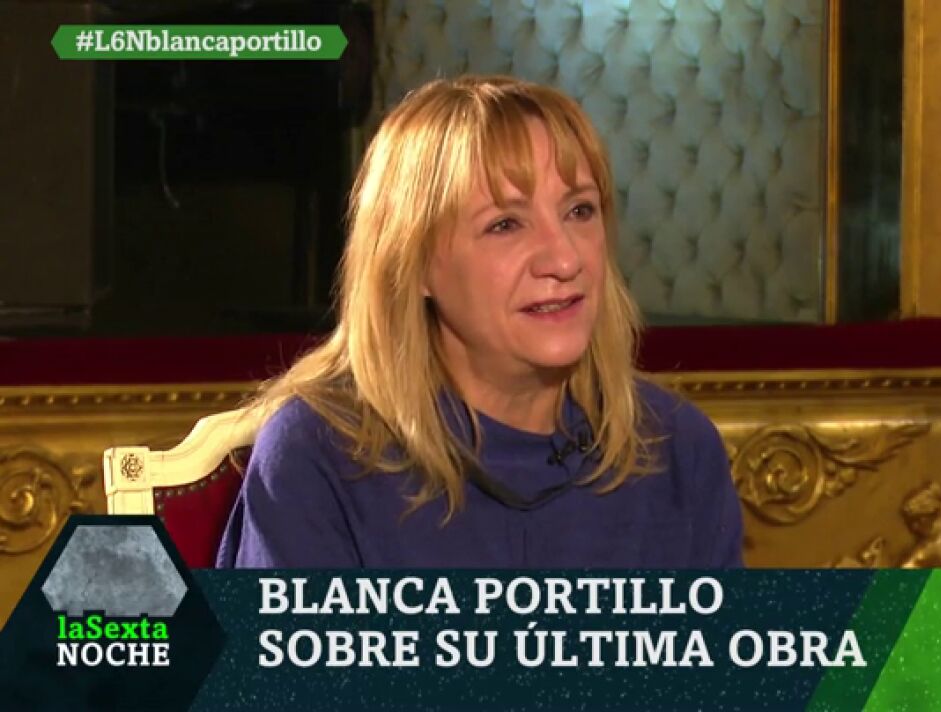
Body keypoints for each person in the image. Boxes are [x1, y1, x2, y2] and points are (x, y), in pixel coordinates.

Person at [215, 75, 745, 569]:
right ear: (413, 264)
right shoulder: (317, 456)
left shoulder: (678, 448)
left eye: (580, 211)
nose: (565, 260)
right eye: (505, 224)